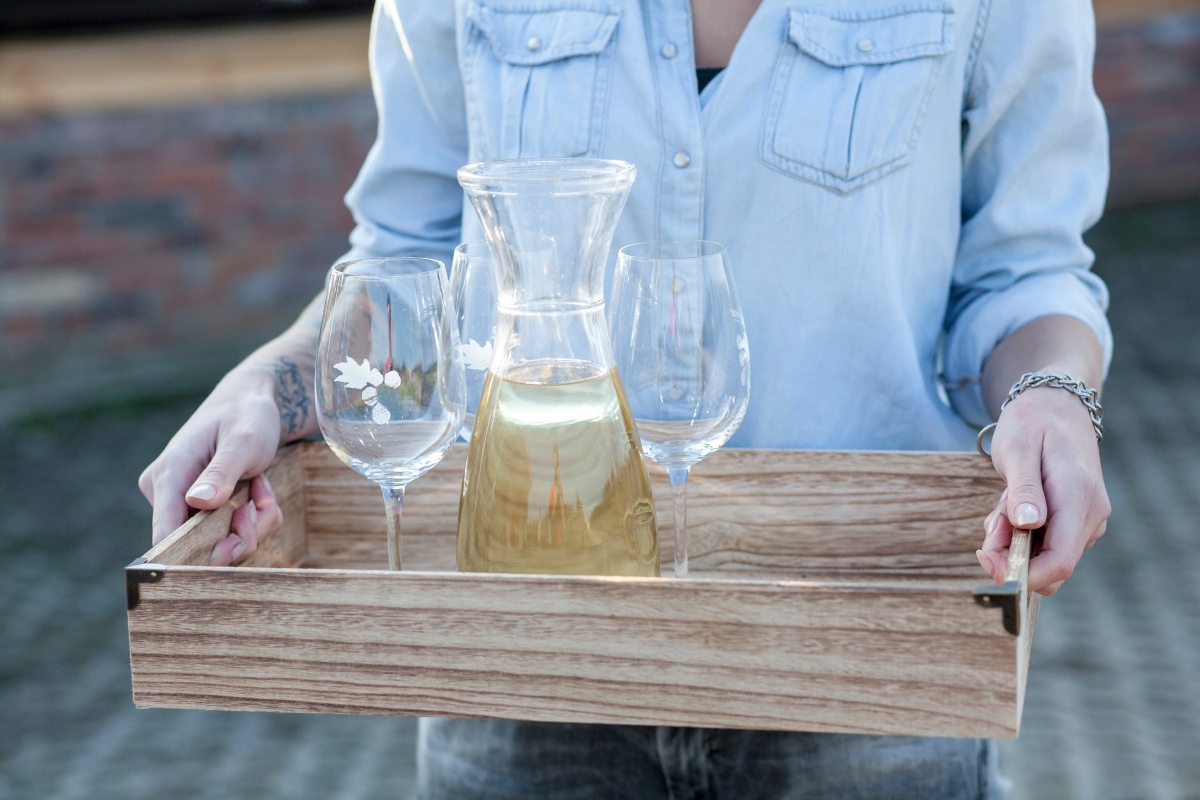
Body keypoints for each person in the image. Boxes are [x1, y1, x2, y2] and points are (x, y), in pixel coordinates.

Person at [140, 0, 1112, 796]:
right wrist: (269, 382)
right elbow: (403, 261)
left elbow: (1026, 269)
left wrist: (1052, 397)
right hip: (518, 653)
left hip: (869, 664)